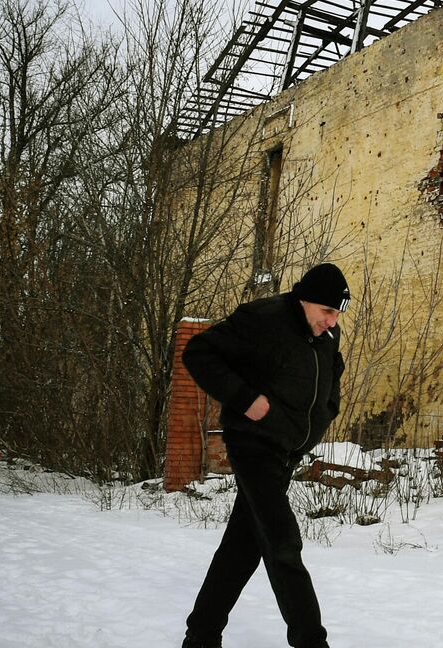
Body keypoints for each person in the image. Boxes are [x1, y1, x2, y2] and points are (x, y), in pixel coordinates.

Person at [180, 262, 348, 648]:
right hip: (253, 443)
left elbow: (328, 380)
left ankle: (201, 636)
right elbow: (199, 352)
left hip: (286, 452)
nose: (332, 321)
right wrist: (245, 399)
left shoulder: (326, 333)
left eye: (337, 313)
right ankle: (311, 641)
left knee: (242, 548)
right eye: (327, 311)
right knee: (282, 541)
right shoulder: (263, 318)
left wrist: (327, 411)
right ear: (305, 300)